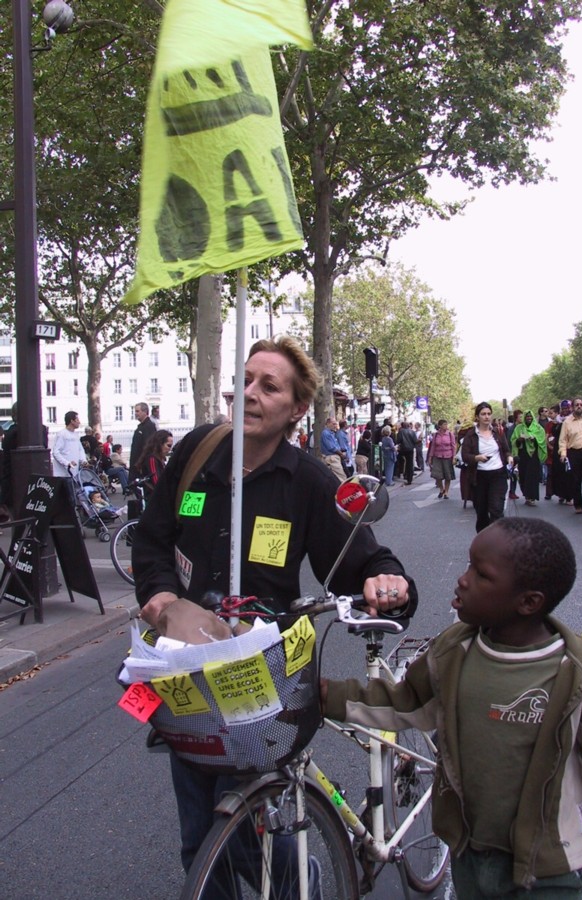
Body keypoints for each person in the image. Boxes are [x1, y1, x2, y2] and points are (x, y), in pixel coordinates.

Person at [131, 334, 418, 878]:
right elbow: (151, 542)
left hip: (261, 672)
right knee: (199, 838)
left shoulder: (307, 480)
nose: (251, 393)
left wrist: (387, 578)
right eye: (245, 381)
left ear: (297, 408)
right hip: (185, 666)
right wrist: (162, 597)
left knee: (246, 813)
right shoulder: (194, 455)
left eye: (269, 385)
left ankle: (296, 878)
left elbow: (362, 555)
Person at [322, 518, 582, 900]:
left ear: (528, 602)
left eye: (481, 575)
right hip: (469, 858)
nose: (463, 580)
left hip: (547, 872)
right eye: (467, 566)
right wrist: (328, 695)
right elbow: (405, 703)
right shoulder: (454, 652)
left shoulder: (577, 676)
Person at [461, 402, 512, 532]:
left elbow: (506, 450)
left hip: (498, 475)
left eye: (489, 414)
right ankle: (483, 542)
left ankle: (497, 542)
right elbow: (465, 455)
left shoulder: (498, 432)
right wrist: (477, 458)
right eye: (483, 414)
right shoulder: (471, 435)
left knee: (496, 510)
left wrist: (509, 457)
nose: (486, 417)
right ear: (477, 416)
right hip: (479, 477)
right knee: (482, 513)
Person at [0, 402, 49, 513]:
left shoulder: (11, 433)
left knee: (17, 519)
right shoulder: (40, 430)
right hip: (40, 484)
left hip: (14, 485)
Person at [510, 410, 547, 506]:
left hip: (533, 456)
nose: (529, 418)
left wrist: (534, 438)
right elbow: (513, 440)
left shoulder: (538, 428)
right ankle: (526, 496)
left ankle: (532, 497)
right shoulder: (519, 428)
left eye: (530, 417)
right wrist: (519, 440)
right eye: (527, 417)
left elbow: (542, 440)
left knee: (532, 477)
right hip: (523, 455)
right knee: (523, 476)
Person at [136, 429, 173, 500]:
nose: (169, 449)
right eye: (168, 445)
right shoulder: (152, 459)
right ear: (160, 444)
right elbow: (156, 481)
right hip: (154, 499)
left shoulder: (157, 459)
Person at [52, 411, 88, 477]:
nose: (79, 422)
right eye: (77, 419)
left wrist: (83, 460)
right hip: (62, 474)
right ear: (72, 421)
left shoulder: (76, 435)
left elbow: (80, 450)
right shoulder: (61, 434)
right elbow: (55, 452)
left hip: (74, 473)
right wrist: (67, 463)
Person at [426, 419, 455, 500]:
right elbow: (433, 447)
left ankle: (446, 492)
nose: (446, 426)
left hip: (447, 457)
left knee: (447, 476)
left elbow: (453, 446)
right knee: (437, 475)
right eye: (444, 424)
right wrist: (430, 457)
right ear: (440, 426)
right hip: (437, 457)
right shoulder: (436, 435)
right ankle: (441, 489)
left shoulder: (449, 434)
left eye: (446, 424)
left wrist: (453, 457)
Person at [129, 402, 157, 479]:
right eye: (135, 411)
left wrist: (140, 464)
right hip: (136, 465)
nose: (135, 413)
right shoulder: (141, 427)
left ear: (145, 411)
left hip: (142, 467)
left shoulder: (149, 426)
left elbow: (148, 447)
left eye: (138, 411)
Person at [319, 417, 347, 483]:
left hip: (334, 457)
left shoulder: (331, 433)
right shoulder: (326, 433)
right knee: (341, 477)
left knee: (336, 477)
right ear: (328, 424)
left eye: (335, 424)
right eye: (333, 424)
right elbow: (331, 447)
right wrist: (341, 454)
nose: (335, 426)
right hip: (332, 458)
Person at [395, 421, 417, 485]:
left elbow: (398, 440)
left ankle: (401, 474)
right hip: (410, 449)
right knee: (410, 464)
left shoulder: (401, 432)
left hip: (403, 449)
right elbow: (415, 441)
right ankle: (409, 478)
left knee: (401, 462)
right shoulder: (412, 432)